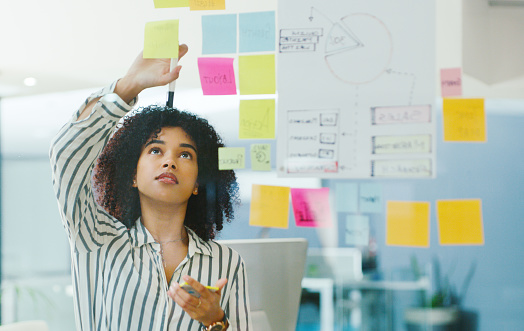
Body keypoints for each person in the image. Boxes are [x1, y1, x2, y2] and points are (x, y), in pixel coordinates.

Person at [50, 45, 252, 331]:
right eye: (156, 151)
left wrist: (215, 321)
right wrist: (127, 86)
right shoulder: (96, 238)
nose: (170, 161)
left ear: (197, 182)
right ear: (132, 175)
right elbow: (65, 154)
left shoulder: (226, 262)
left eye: (185, 155)